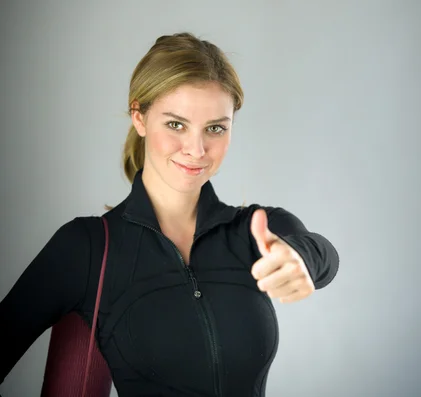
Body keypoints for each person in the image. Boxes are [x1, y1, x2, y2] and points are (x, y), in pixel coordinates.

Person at [0, 32, 339, 396]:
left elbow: (321, 253)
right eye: (176, 124)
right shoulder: (86, 247)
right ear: (140, 118)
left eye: (215, 128)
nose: (196, 149)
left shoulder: (253, 231)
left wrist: (301, 259)